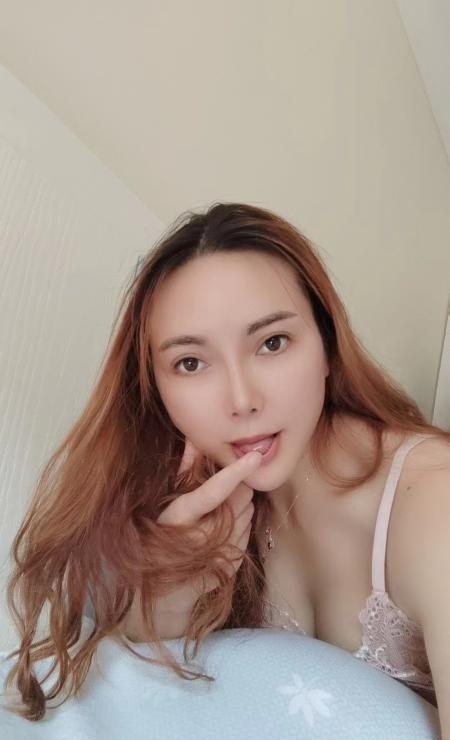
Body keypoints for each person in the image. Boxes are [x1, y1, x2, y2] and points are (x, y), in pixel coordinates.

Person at [3, 202, 450, 734]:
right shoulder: (189, 499)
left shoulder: (433, 503)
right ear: (155, 387)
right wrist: (175, 592)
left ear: (328, 347)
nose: (241, 400)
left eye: (272, 343)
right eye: (191, 363)